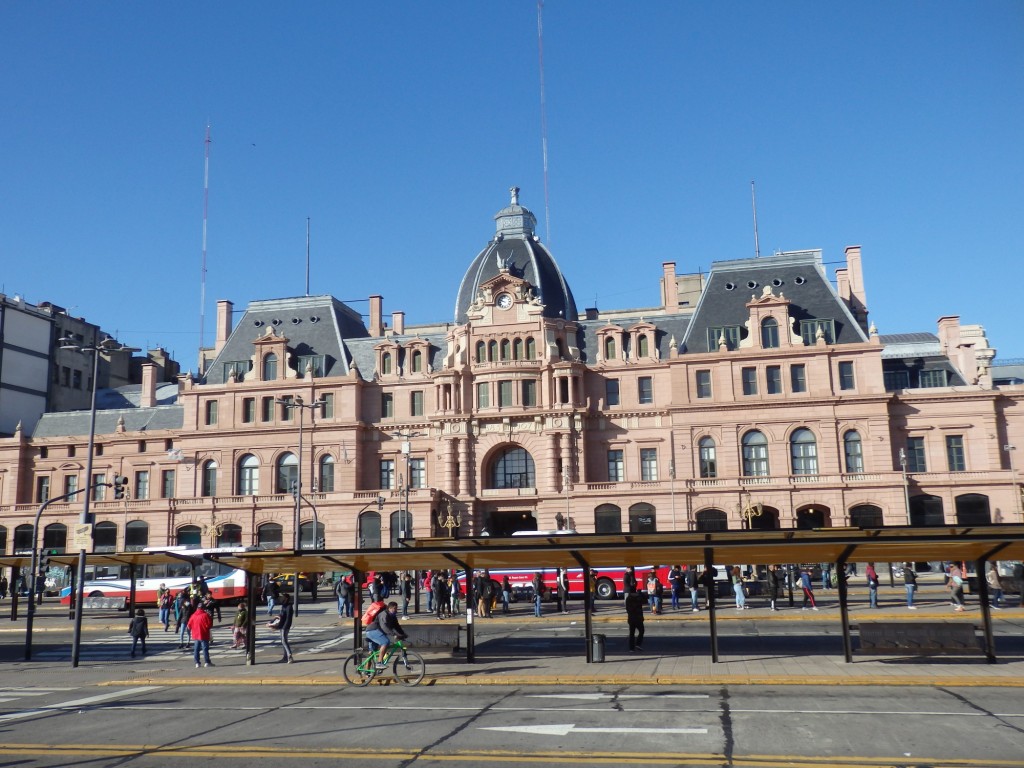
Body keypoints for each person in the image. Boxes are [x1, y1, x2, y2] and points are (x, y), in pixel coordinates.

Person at [364, 601, 408, 666]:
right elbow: (384, 626)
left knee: (372, 652)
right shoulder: (384, 614)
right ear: (389, 608)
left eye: (396, 608)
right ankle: (379, 663)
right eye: (394, 608)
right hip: (372, 631)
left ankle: (368, 673)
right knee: (385, 642)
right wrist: (394, 634)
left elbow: (397, 626)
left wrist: (403, 634)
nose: (396, 610)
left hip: (378, 633)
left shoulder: (393, 616)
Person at [276, 592, 295, 661]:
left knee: (284, 641)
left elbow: (288, 618)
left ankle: (289, 655)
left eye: (283, 597)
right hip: (282, 625)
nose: (281, 599)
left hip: (285, 626)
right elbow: (281, 616)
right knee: (283, 640)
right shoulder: (283, 606)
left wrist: (284, 627)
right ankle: (285, 657)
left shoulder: (289, 607)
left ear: (286, 598)